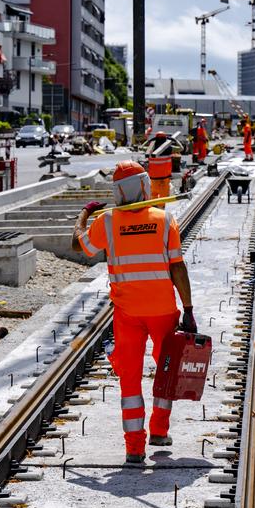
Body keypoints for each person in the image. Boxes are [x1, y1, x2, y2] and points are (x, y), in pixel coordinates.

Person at [71, 160, 197, 463]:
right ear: (145, 187)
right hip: (163, 311)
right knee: (166, 371)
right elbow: (177, 267)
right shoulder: (165, 219)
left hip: (127, 314)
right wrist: (189, 309)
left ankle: (134, 448)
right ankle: (159, 430)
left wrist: (85, 214)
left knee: (130, 380)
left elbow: (78, 245)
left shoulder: (107, 222)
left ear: (117, 192)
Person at [147, 131, 173, 202]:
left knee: (154, 194)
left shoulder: (150, 149)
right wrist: (174, 140)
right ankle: (162, 209)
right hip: (165, 176)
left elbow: (142, 147)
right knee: (164, 196)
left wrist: (150, 140)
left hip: (153, 176)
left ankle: (154, 208)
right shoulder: (169, 149)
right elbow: (181, 148)